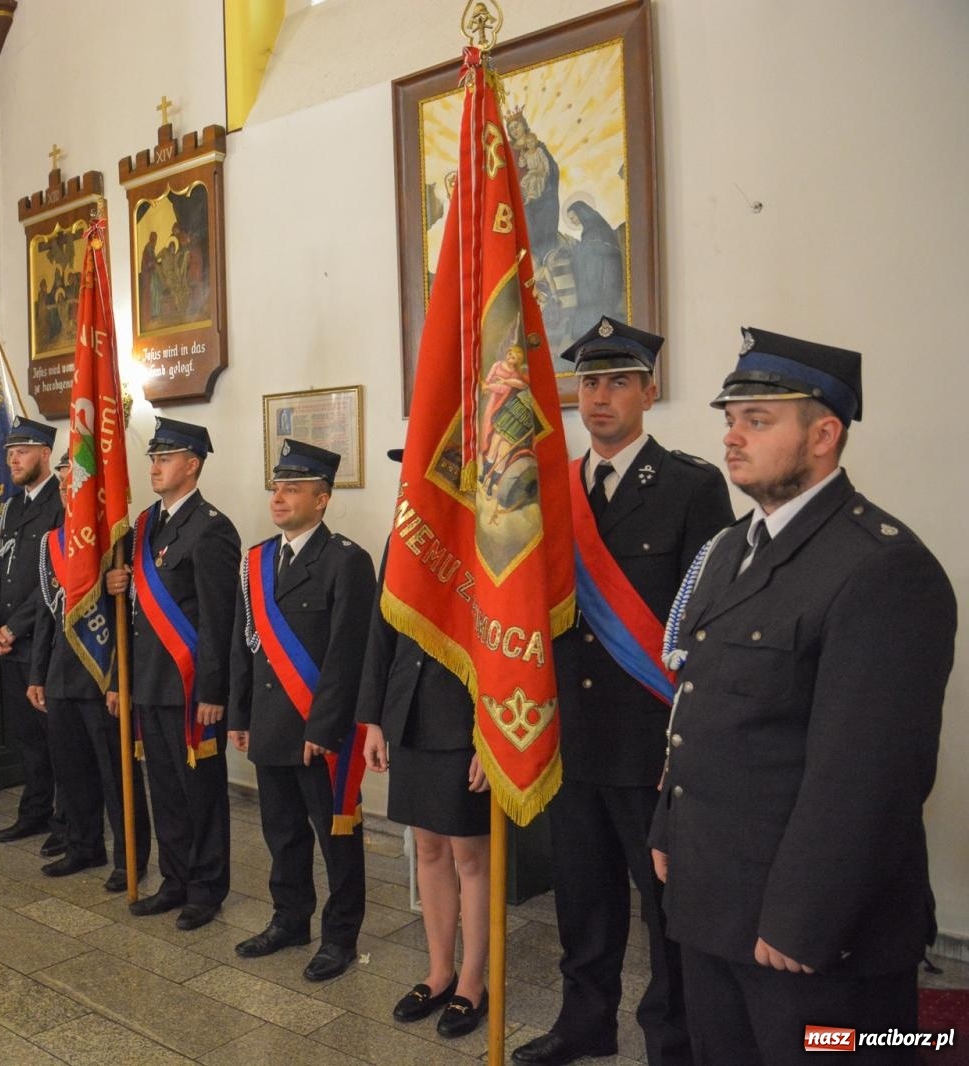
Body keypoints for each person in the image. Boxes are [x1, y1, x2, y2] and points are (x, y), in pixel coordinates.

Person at [650, 328, 955, 1066]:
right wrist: (668, 828)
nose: (732, 437)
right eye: (730, 420)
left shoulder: (881, 568)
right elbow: (698, 708)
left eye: (757, 421)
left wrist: (803, 923)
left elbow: (869, 778)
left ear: (824, 434)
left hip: (812, 935)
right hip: (713, 895)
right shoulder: (730, 548)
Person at [514, 318, 733, 1066]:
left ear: (648, 390)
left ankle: (672, 1039)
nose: (599, 396)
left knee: (668, 907)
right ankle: (586, 1024)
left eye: (616, 381)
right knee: (584, 898)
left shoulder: (691, 487)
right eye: (588, 382)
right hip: (573, 736)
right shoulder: (550, 493)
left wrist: (694, 742)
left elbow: (709, 621)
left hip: (651, 740)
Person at [228, 439, 375, 983]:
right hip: (270, 724)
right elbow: (243, 644)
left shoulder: (346, 561)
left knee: (337, 837)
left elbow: (346, 656)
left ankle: (340, 936)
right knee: (282, 831)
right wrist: (240, 715)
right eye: (277, 486)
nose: (280, 496)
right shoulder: (257, 560)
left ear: (324, 499)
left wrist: (327, 728)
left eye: (293, 488)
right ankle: (289, 918)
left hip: (319, 731)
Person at [359, 448, 493, 1039]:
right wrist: (374, 719)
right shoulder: (404, 537)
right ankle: (438, 971)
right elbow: (382, 630)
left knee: (471, 857)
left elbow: (503, 647)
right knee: (430, 851)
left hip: (464, 726)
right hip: (409, 715)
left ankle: (473, 980)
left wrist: (492, 737)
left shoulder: (493, 539)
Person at [104, 417, 239, 931]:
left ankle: (207, 889)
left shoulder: (212, 528)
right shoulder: (143, 526)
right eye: (153, 459)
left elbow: (219, 619)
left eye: (165, 459)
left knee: (200, 793)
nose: (155, 467)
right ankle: (175, 878)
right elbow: (134, 618)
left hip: (188, 689)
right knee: (164, 790)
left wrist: (212, 690)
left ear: (192, 465)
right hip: (148, 685)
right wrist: (120, 679)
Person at [29, 453, 151, 888]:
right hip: (62, 675)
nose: (67, 491)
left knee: (117, 775)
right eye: (62, 485)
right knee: (72, 771)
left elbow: (142, 615)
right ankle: (84, 845)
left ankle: (128, 858)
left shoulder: (119, 539)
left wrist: (127, 581)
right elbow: (48, 612)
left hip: (104, 676)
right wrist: (36, 675)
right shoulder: (52, 542)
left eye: (73, 485)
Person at [0, 417, 66, 856]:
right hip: (9, 643)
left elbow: (55, 579)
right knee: (26, 738)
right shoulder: (12, 507)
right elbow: (1, 571)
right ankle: (34, 811)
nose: (12, 458)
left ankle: (67, 821)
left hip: (44, 642)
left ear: (45, 453)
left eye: (23, 450)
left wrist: (14, 627)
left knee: (57, 738)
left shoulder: (62, 502)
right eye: (10, 451)